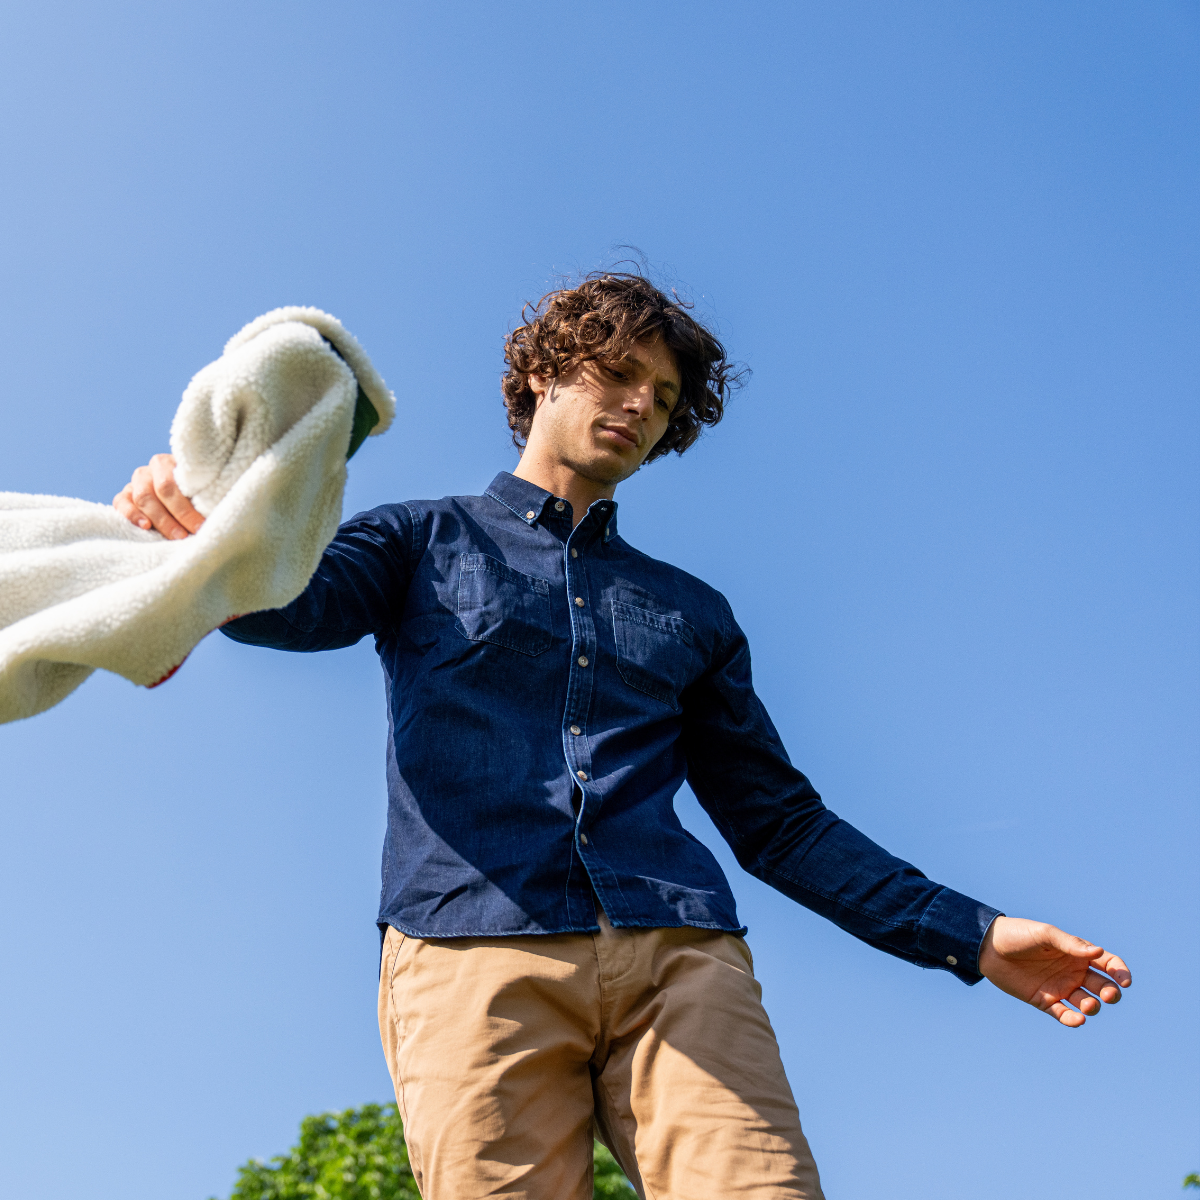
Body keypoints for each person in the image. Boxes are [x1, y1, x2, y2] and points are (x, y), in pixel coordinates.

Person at [114, 273, 1131, 1200]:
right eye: (621, 372)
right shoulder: (420, 540)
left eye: (666, 399)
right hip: (472, 947)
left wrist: (973, 932)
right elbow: (283, 603)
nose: (643, 404)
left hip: (678, 957)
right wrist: (195, 546)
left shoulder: (692, 612)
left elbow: (780, 824)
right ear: (544, 373)